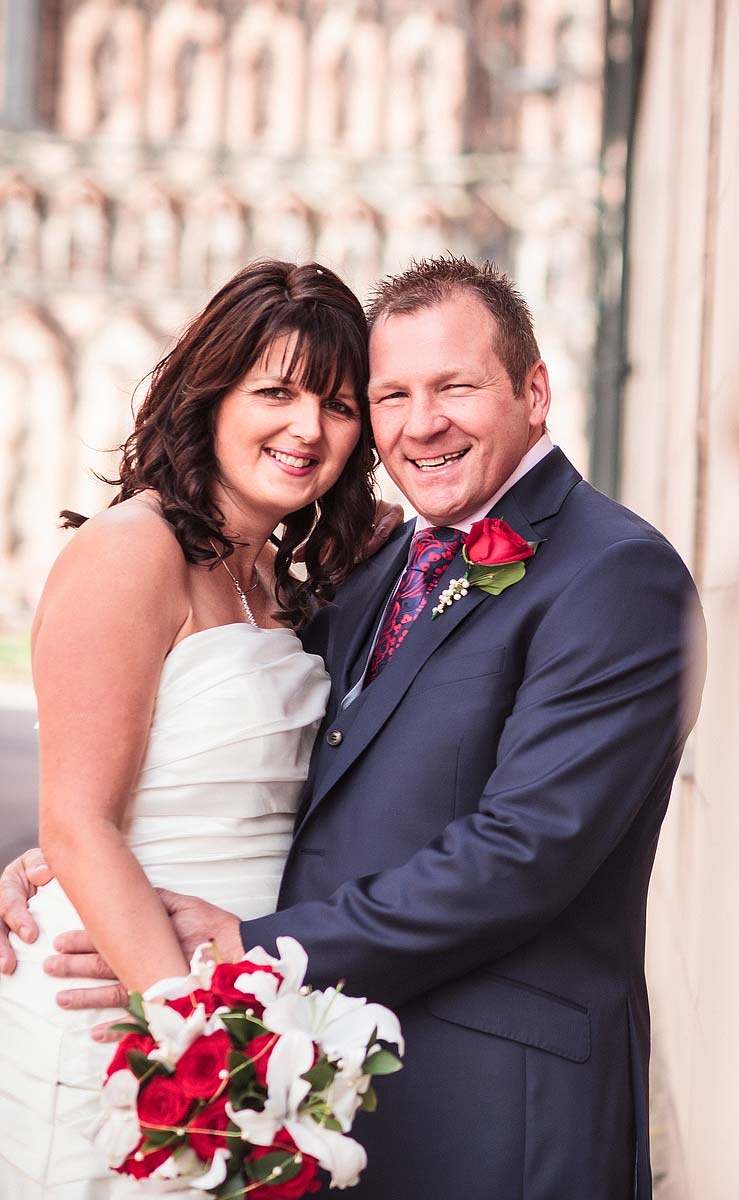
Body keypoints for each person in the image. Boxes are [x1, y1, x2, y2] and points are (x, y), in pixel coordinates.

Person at [3, 255, 704, 1198]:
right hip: (211, 1026)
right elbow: (130, 788)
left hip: (474, 1084)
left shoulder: (613, 573)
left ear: (536, 391)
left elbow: (526, 850)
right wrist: (71, 857)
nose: (421, 422)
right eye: (390, 396)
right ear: (213, 395)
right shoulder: (348, 571)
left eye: (453, 387)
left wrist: (240, 964)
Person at [0, 260, 379, 1195]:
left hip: (246, 996)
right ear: (211, 395)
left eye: (336, 405)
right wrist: (199, 1042)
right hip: (135, 1010)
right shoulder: (133, 549)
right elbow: (78, 825)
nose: (307, 429)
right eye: (277, 392)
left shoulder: (279, 590)